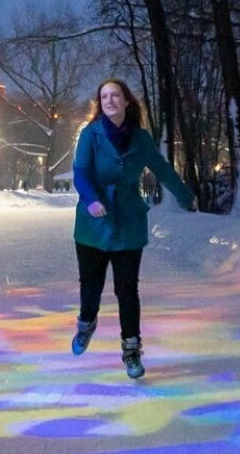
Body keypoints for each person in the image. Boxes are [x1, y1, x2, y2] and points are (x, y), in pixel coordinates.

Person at [69, 78, 193, 379]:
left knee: (127, 290)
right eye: (104, 96)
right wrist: (91, 199)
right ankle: (87, 323)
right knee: (91, 286)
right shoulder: (91, 134)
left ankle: (131, 349)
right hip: (93, 222)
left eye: (115, 95)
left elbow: (161, 168)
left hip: (128, 221)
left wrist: (184, 193)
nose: (109, 100)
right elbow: (81, 171)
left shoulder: (140, 138)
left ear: (126, 101)